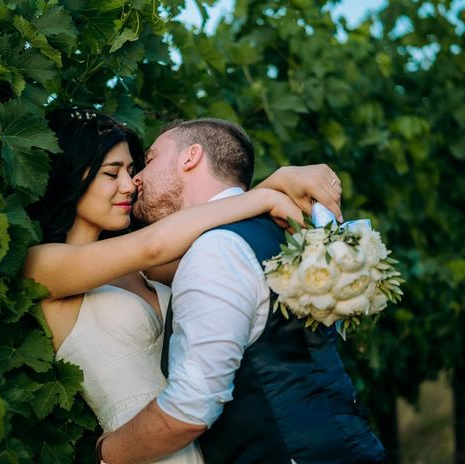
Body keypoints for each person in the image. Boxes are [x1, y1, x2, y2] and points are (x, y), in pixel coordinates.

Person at [24, 109, 343, 464]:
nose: (131, 185)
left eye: (131, 172)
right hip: (139, 452)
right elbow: (155, 243)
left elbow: (204, 226)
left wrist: (277, 181)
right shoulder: (42, 266)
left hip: (201, 444)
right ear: (72, 175)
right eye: (112, 173)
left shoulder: (146, 269)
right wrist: (266, 195)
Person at [97, 118, 387, 464]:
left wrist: (106, 452)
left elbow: (189, 409)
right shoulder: (281, 231)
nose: (137, 178)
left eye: (151, 159)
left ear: (190, 157)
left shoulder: (215, 251)